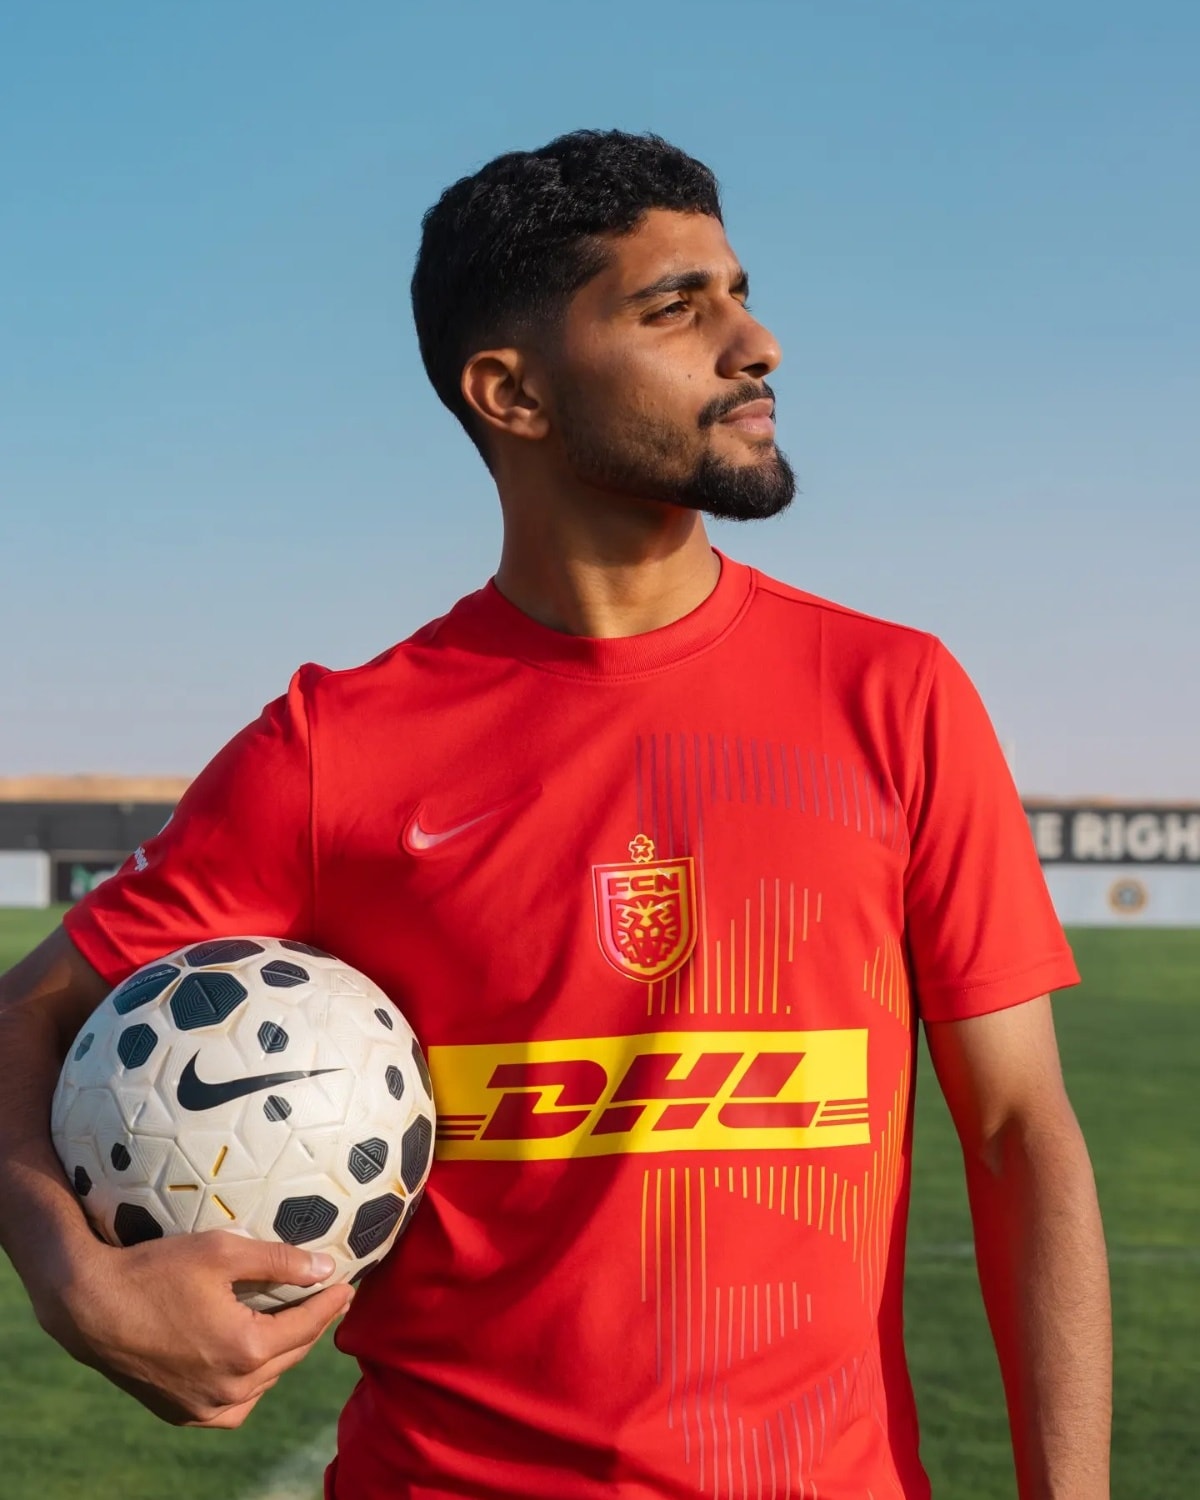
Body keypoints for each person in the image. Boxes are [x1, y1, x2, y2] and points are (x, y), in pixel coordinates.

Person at [0, 130, 1110, 1499]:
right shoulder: (335, 749)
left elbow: (1018, 1136)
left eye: (739, 292)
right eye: (676, 306)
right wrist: (72, 1283)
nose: (756, 343)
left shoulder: (895, 697)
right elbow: (23, 1016)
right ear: (510, 392)